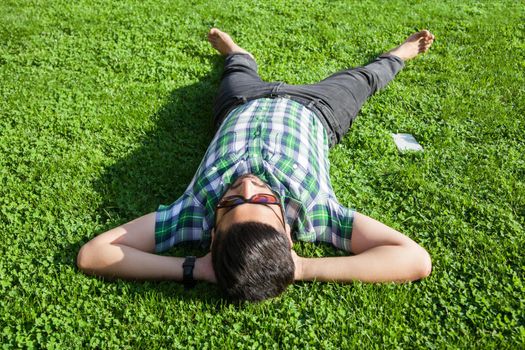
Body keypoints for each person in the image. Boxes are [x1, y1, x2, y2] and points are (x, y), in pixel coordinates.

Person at [77, 28, 435, 302]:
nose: (247, 187)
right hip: (317, 109)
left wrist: (194, 268)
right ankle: (398, 55)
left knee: (236, 68)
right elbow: (414, 259)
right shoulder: (318, 214)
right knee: (363, 79)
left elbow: (94, 254)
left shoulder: (195, 213)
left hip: (240, 103)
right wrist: (303, 268)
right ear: (288, 234)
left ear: (213, 233)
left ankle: (236, 52)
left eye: (231, 203)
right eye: (264, 203)